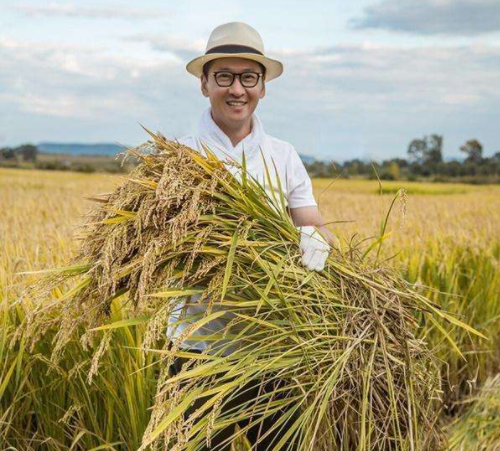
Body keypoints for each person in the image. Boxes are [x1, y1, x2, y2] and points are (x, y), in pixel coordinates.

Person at [166, 22, 337, 450]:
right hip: (195, 351)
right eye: (224, 76)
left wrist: (316, 239)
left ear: (263, 87)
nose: (236, 89)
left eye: (248, 77)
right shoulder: (178, 157)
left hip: (269, 346)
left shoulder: (283, 155)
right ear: (204, 84)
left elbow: (310, 220)